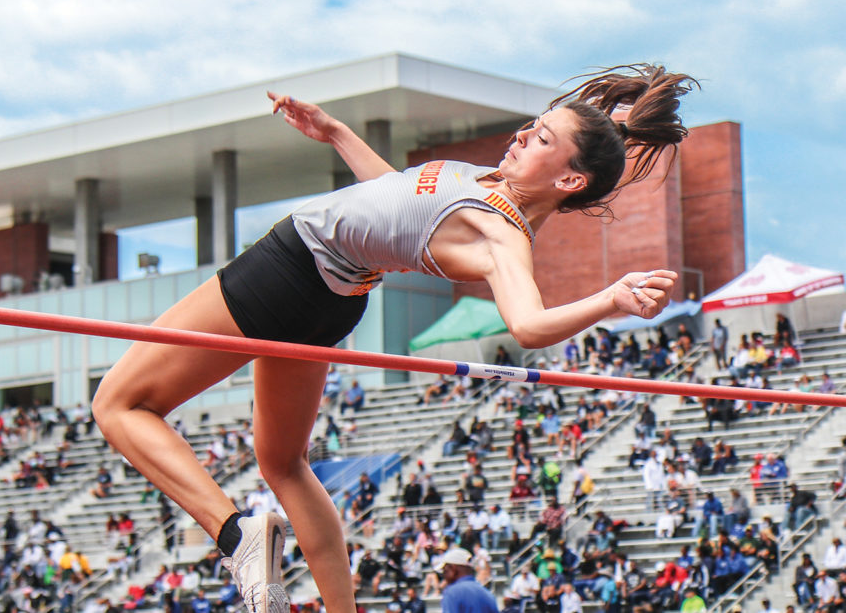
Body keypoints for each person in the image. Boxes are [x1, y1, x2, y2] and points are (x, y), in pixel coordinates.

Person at [90, 64, 692, 613]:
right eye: (530, 127)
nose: (520, 136)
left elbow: (528, 327)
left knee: (117, 404)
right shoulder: (487, 191)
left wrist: (611, 299)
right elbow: (394, 197)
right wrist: (335, 133)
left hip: (290, 267)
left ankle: (236, 535)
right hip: (330, 300)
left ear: (568, 178)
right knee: (283, 462)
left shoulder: (501, 232)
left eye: (539, 140)